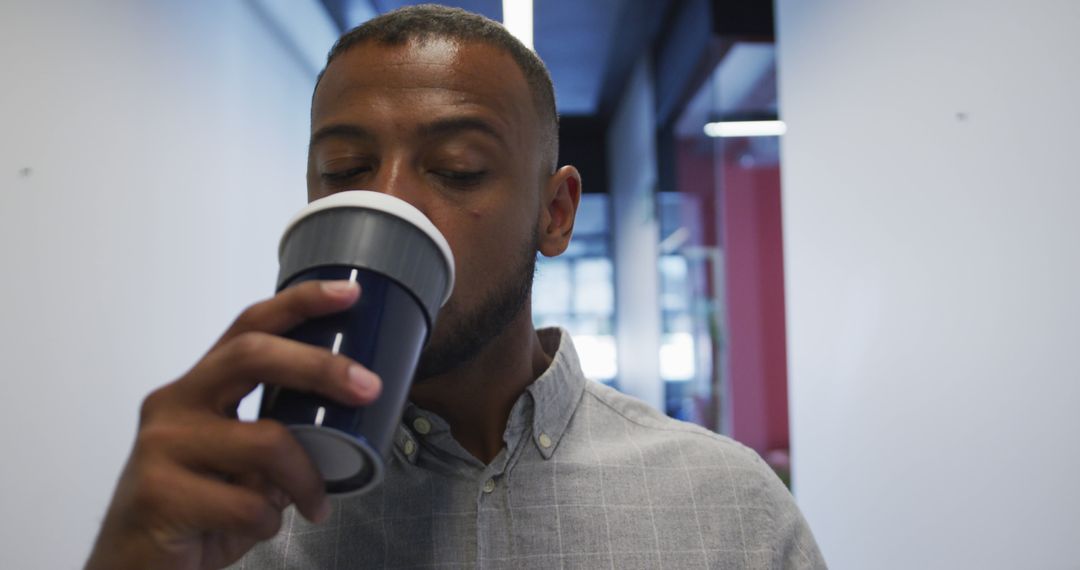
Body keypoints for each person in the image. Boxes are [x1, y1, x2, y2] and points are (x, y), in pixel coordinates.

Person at [86, 4, 825, 569]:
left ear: (556, 212)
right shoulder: (232, 515)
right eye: (345, 168)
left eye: (459, 168)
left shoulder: (724, 505)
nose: (393, 202)